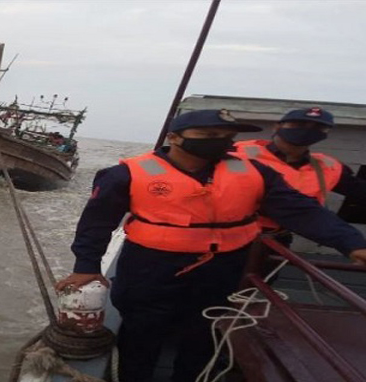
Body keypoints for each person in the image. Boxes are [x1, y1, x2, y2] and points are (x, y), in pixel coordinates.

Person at [54, 109, 366, 382]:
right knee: (141, 335)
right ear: (175, 138)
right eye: (210, 134)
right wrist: (86, 267)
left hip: (222, 268)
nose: (221, 141)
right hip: (150, 268)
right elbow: (96, 224)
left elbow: (301, 210)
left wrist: (351, 243)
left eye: (227, 136)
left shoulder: (255, 173)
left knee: (203, 333)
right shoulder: (127, 173)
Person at [234, 107, 366, 244]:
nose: (307, 130)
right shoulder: (238, 153)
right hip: (232, 235)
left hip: (277, 239)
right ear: (277, 127)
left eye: (318, 127)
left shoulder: (327, 167)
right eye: (299, 125)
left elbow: (359, 191)